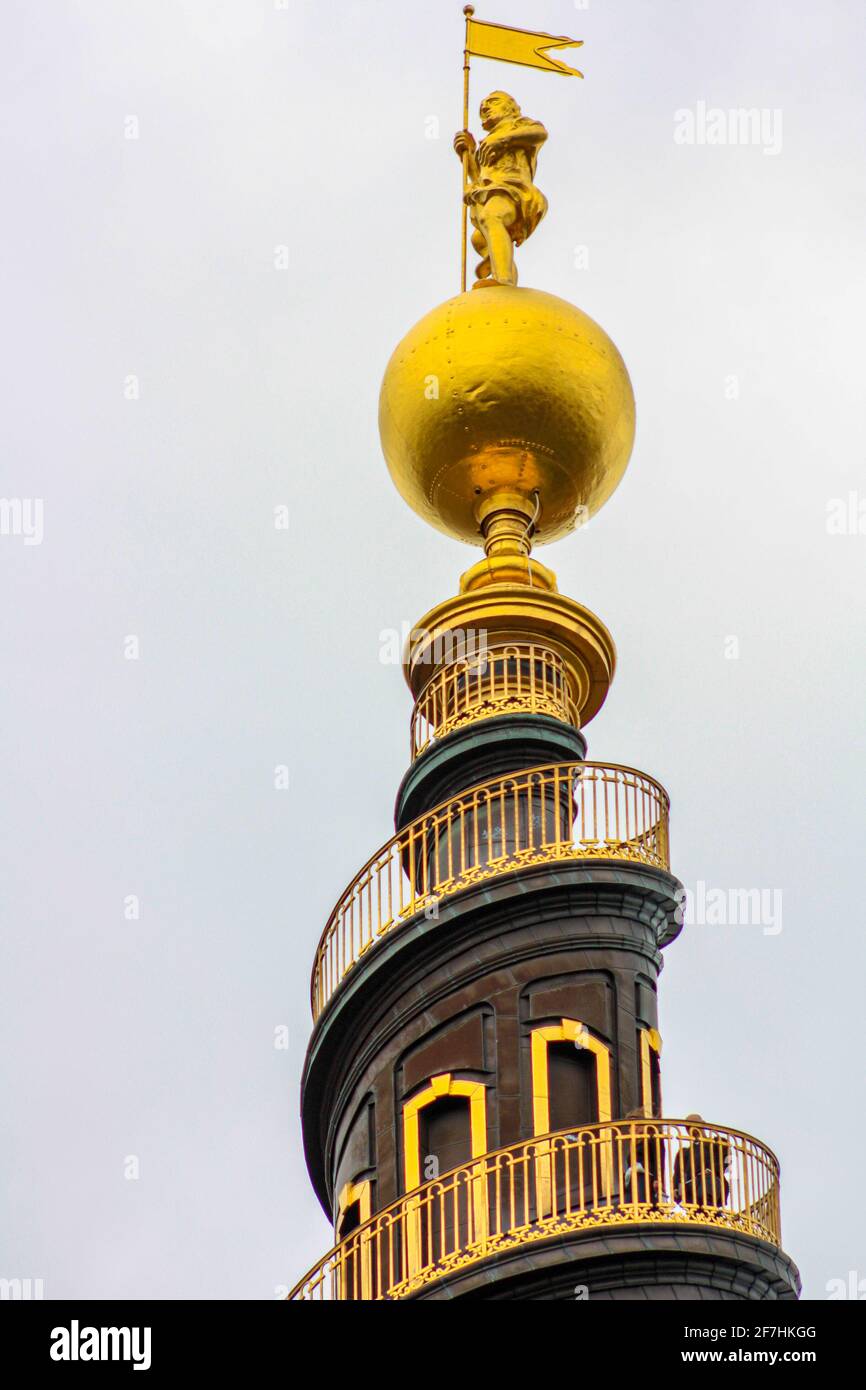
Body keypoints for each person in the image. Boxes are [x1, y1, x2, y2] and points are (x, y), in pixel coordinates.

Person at [453, 91, 548, 286]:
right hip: (492, 192)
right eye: (482, 108)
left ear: (512, 107)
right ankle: (505, 278)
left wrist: (504, 140)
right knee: (480, 239)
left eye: (493, 102)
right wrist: (469, 154)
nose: (485, 108)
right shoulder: (487, 143)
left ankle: (502, 279)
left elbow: (540, 133)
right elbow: (481, 177)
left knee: (492, 217)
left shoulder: (519, 125)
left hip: (515, 190)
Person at [673, 1114, 730, 1211]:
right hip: (691, 1188)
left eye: (695, 1123)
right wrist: (676, 1188)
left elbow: (727, 1161)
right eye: (688, 1126)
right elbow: (678, 1173)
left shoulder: (717, 1143)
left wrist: (710, 1170)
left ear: (703, 1124)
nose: (692, 1128)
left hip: (710, 1184)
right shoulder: (684, 1153)